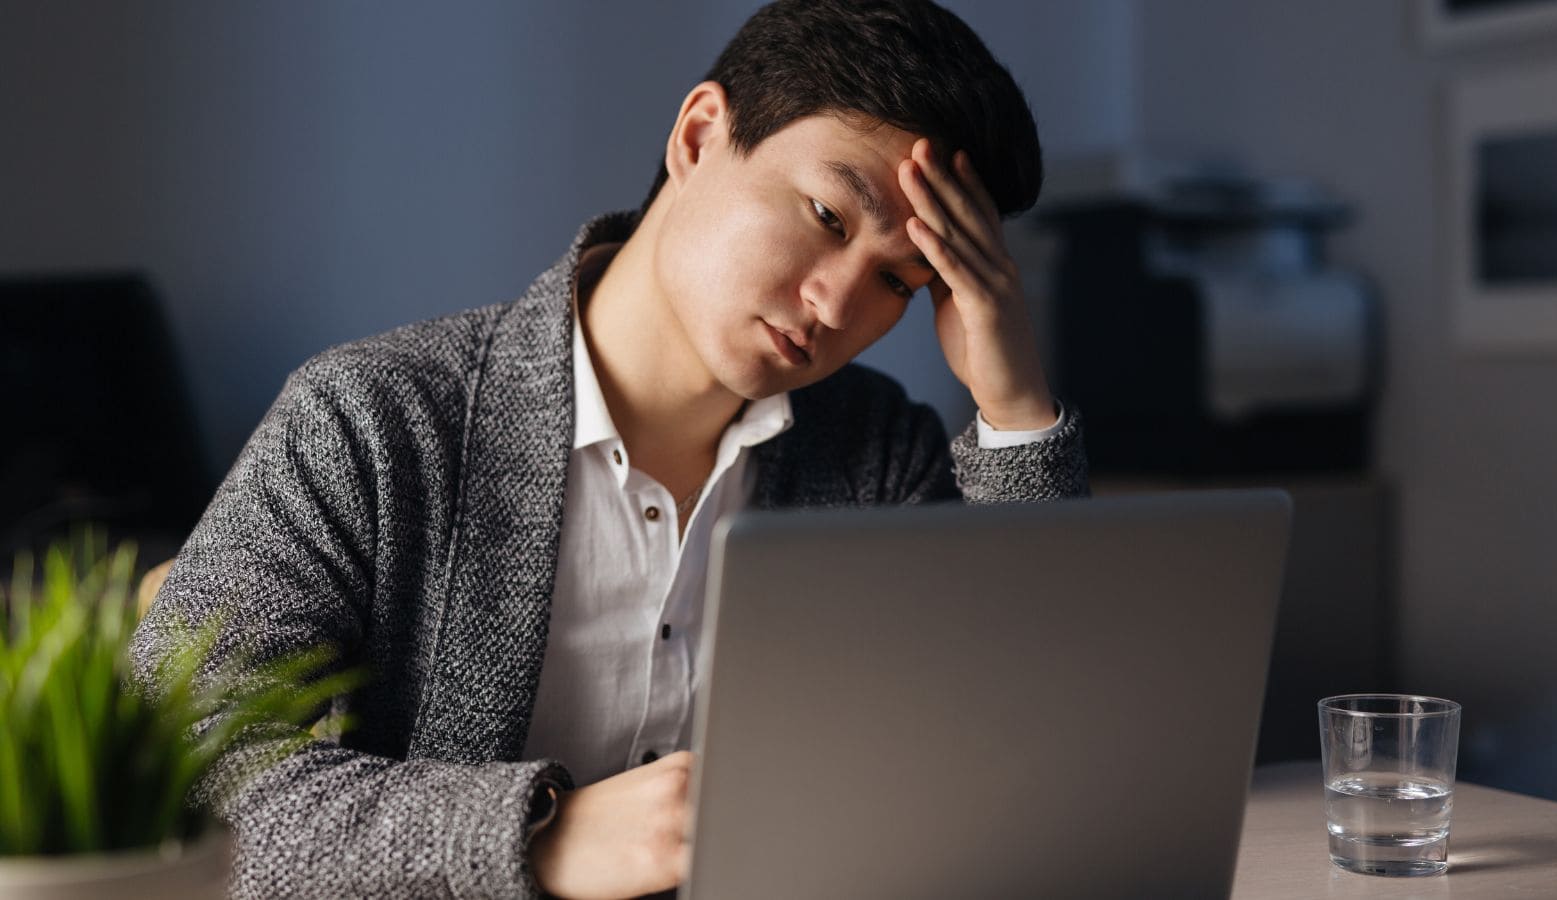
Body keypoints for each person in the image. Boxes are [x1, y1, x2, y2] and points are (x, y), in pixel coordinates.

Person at [129, 1, 1089, 897]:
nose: (837, 304)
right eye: (828, 218)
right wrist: (538, 835)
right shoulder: (372, 418)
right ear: (700, 135)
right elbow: (181, 775)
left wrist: (1012, 404)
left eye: (898, 279)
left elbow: (1027, 755)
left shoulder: (881, 454)